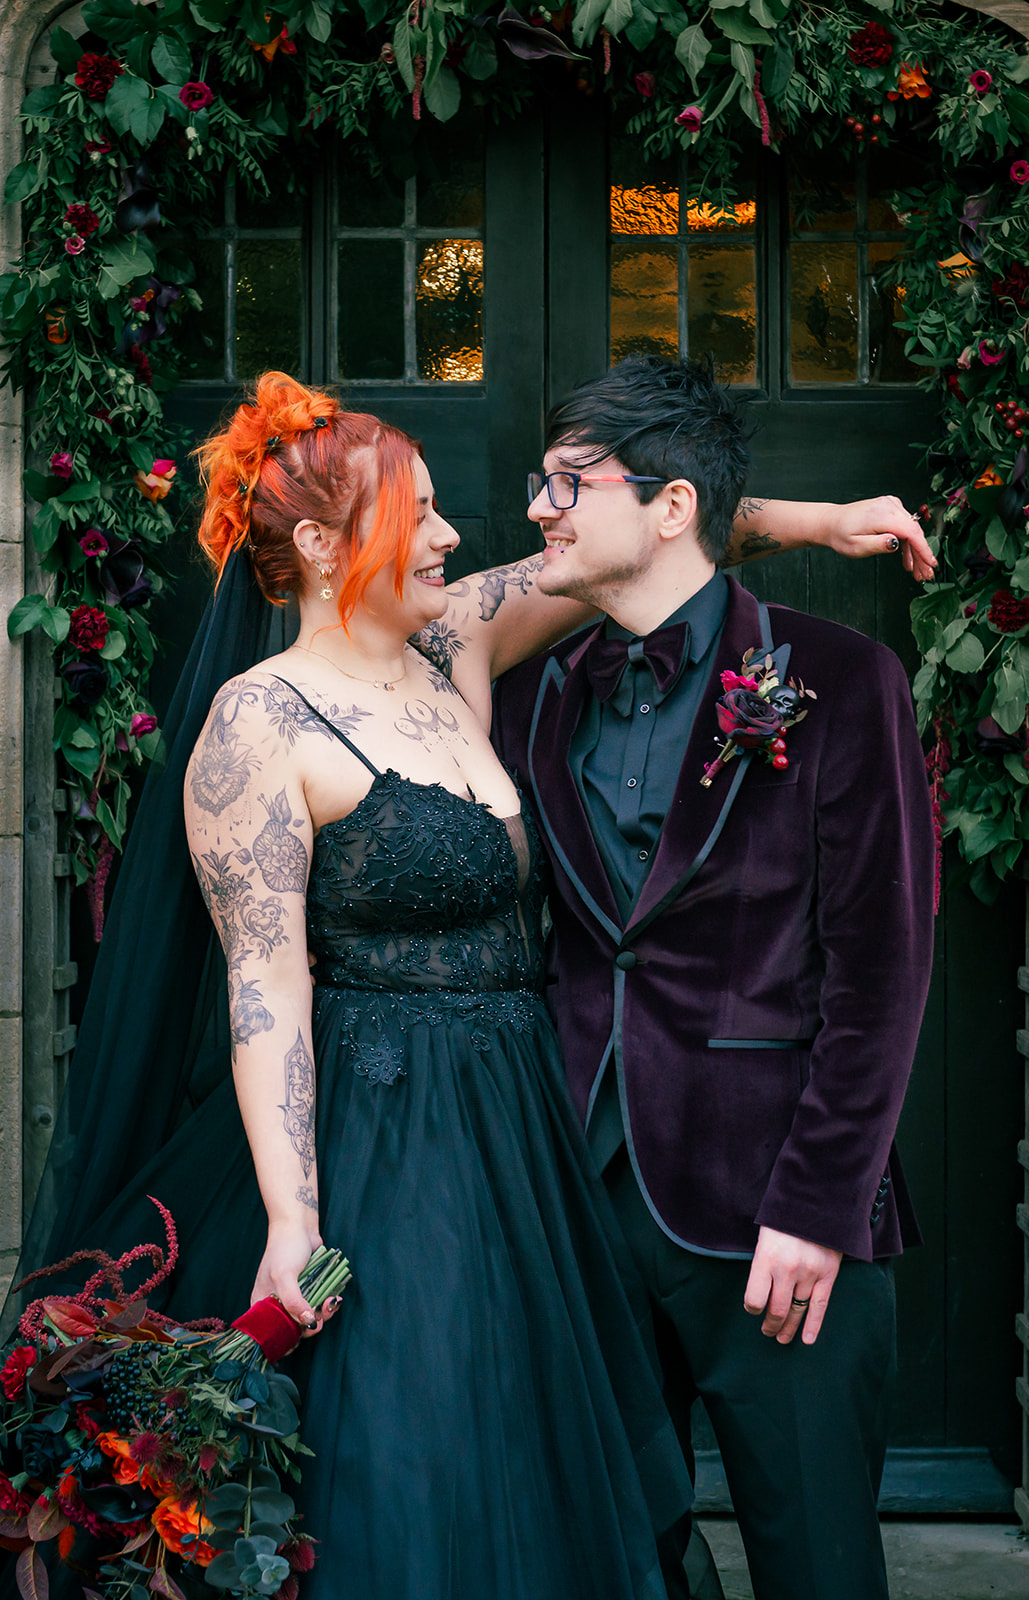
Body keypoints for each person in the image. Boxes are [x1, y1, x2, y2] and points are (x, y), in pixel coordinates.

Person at [4, 365, 933, 1600]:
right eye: (421, 513)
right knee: (431, 1464)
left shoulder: (460, 645)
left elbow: (657, 530)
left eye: (452, 507)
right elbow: (263, 991)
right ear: (329, 545)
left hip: (537, 1134)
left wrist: (815, 523)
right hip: (399, 1133)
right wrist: (293, 1219)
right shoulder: (260, 722)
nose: (458, 532)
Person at [491, 355, 937, 1600]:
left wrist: (817, 1208)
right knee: (618, 1561)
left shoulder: (842, 681)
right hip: (584, 1203)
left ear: (671, 506)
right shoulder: (527, 698)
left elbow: (880, 969)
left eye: (569, 482)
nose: (540, 506)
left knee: (816, 1563)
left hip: (777, 1218)